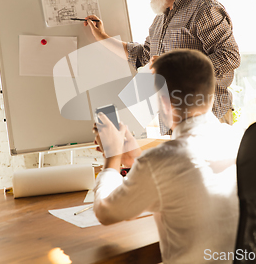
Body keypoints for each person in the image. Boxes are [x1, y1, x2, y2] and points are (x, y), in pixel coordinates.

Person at [92, 50, 243, 263]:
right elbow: (181, 178)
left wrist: (112, 155)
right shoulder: (237, 139)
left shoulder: (160, 161)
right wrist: (135, 160)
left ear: (163, 101)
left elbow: (106, 212)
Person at [84, 0, 240, 125]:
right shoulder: (161, 17)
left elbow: (230, 56)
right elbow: (144, 56)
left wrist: (176, 69)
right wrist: (102, 37)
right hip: (174, 120)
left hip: (207, 120)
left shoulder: (204, 8)